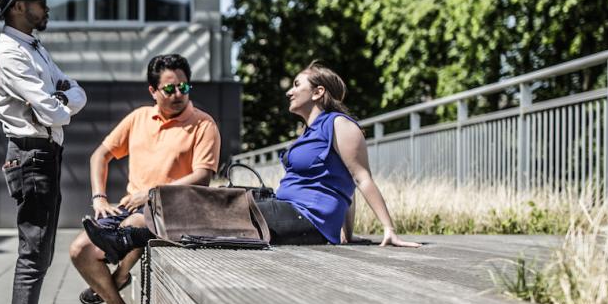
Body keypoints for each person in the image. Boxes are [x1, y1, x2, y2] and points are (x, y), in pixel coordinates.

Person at [84, 61, 419, 257]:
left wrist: (387, 229)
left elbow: (359, 179)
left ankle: (128, 237)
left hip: (304, 218)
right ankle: (126, 236)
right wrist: (347, 232)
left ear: (318, 92)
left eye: (297, 85)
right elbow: (341, 184)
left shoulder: (340, 125)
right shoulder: (310, 132)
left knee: (221, 208)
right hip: (288, 210)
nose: (289, 91)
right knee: (220, 198)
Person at [70, 54, 220, 304]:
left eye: (184, 87)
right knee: (80, 251)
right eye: (169, 89)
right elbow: (100, 155)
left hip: (175, 209)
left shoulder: (203, 124)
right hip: (132, 204)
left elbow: (203, 176)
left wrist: (151, 193)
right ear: (153, 91)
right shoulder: (139, 118)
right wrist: (99, 198)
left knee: (137, 222)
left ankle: (120, 274)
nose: (178, 94)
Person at [0, 0, 88, 304]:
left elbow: (74, 93)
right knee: (33, 258)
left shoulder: (34, 49)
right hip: (32, 157)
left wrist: (61, 101)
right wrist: (59, 102)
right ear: (16, 7)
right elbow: (53, 110)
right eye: (39, 0)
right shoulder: (10, 53)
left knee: (40, 256)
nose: (46, 5)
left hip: (44, 155)